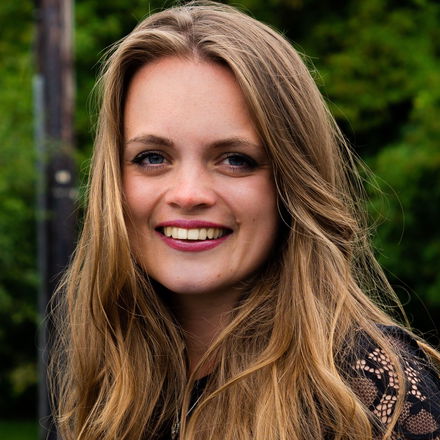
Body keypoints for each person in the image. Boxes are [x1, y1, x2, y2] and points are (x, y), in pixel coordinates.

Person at [49, 1, 440, 439]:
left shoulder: (369, 389)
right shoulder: (105, 387)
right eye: (152, 157)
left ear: (292, 181)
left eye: (235, 160)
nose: (188, 194)